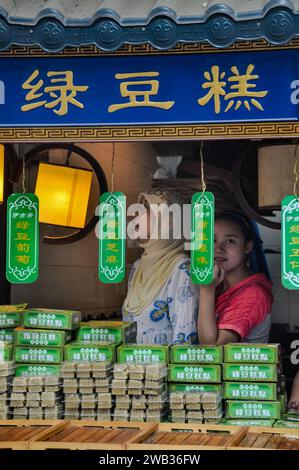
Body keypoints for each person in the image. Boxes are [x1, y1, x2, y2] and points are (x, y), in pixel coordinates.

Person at [122, 190, 198, 345]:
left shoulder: (182, 269)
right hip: (132, 367)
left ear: (169, 220)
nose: (137, 214)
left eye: (146, 209)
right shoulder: (138, 267)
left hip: (163, 368)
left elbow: (184, 340)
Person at [198, 210, 273, 345]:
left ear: (247, 247)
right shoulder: (218, 282)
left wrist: (206, 290)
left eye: (229, 241)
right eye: (213, 240)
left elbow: (213, 350)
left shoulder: (253, 294)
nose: (218, 249)